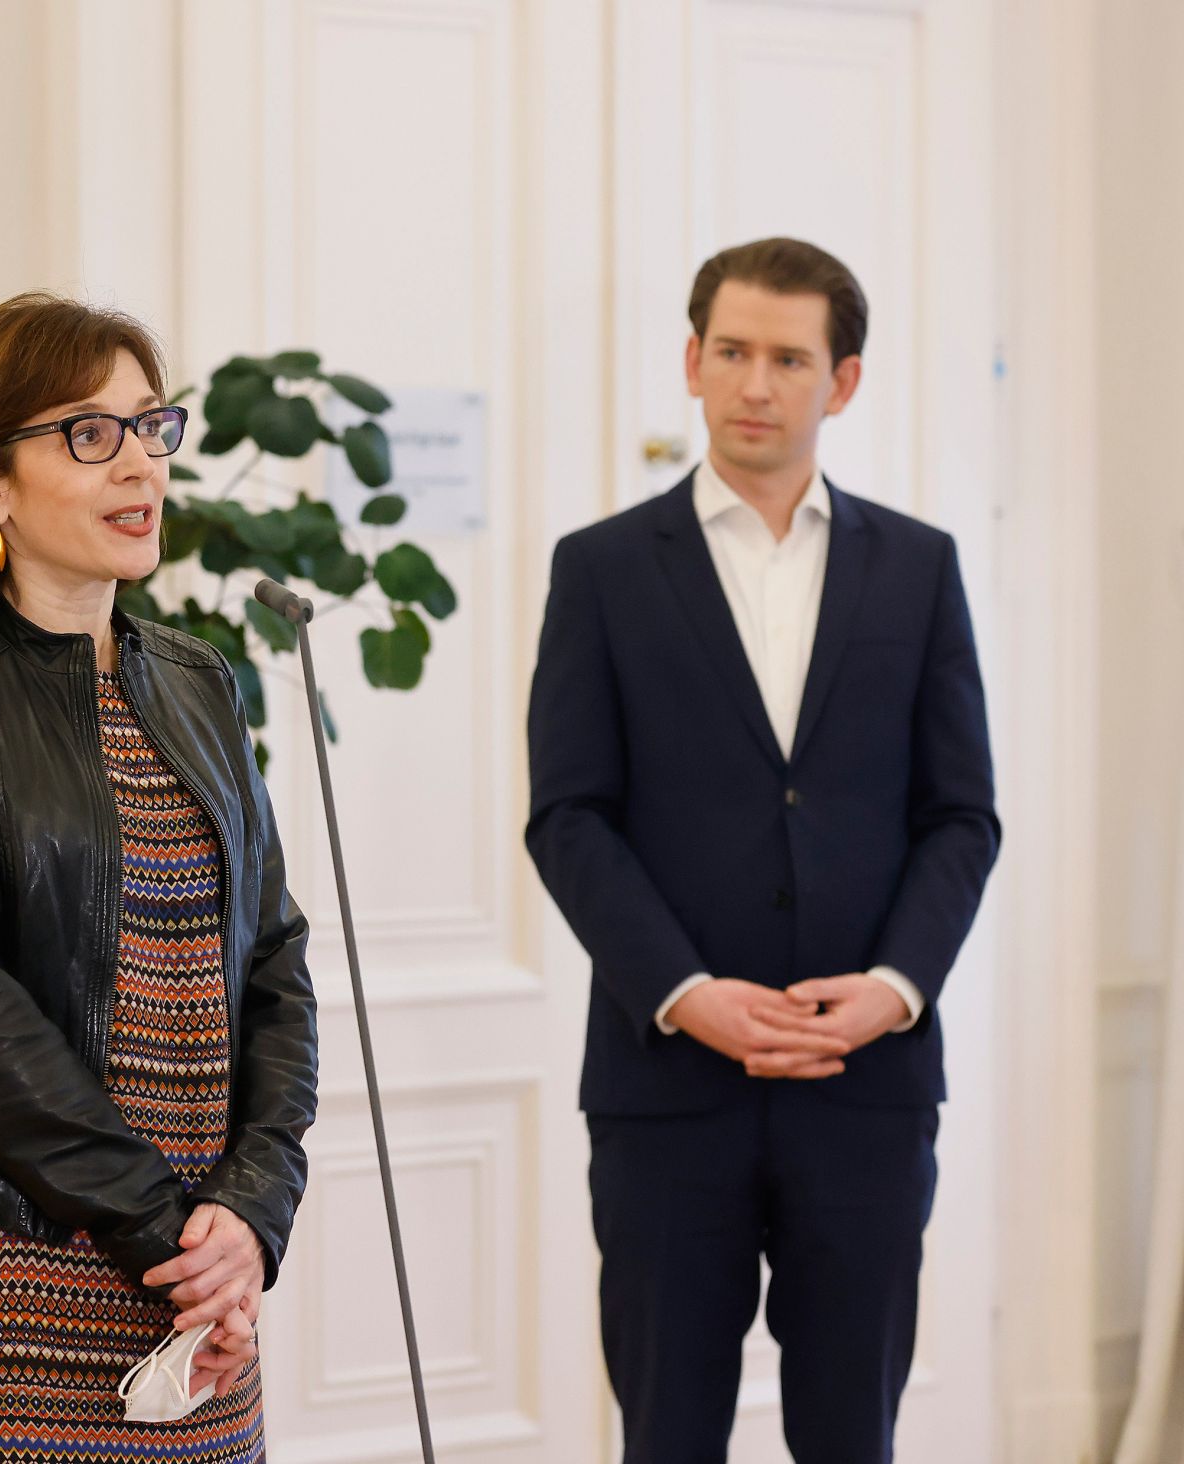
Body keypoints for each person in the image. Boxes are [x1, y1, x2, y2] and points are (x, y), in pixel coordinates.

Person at [525, 237, 1000, 1462]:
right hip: (665, 1091)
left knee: (852, 1438)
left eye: (787, 358)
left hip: (865, 1092)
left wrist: (890, 994)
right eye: (729, 351)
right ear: (689, 362)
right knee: (666, 1436)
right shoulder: (600, 570)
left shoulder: (919, 567)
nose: (753, 383)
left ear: (840, 382)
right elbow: (567, 815)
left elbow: (961, 814)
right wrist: (686, 997)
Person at [0, 291, 317, 1462]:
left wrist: (249, 1216)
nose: (136, 462)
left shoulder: (200, 682)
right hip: (7, 1278)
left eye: (150, 426)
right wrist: (165, 1230)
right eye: (87, 434)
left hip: (195, 1302)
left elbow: (274, 969)